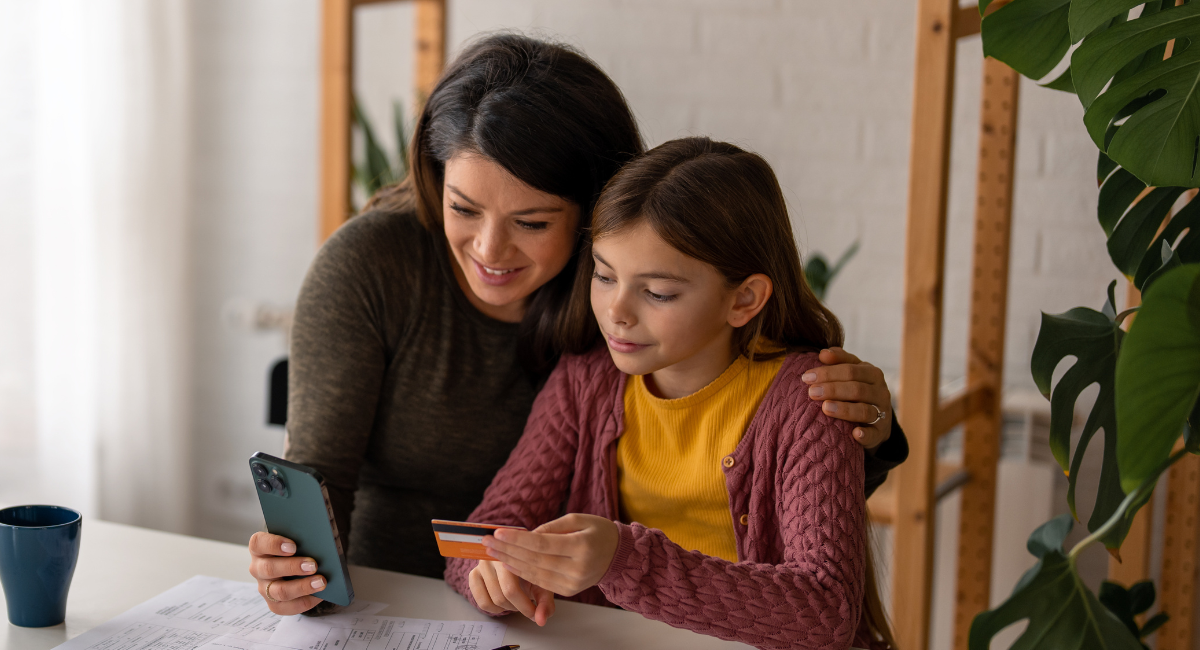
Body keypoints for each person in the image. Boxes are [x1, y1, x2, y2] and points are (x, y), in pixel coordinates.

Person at [247, 33, 907, 616]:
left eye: (532, 223)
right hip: (412, 598)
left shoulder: (626, 307)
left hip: (586, 615)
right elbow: (320, 484)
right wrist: (298, 576)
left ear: (597, 212)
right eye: (463, 208)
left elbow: (797, 529)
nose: (489, 250)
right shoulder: (378, 267)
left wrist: (871, 430)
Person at [448, 137, 890, 650]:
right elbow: (480, 535)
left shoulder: (810, 401)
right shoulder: (587, 380)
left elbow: (824, 612)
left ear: (744, 299)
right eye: (605, 275)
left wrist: (624, 560)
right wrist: (490, 576)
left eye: (658, 293)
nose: (617, 311)